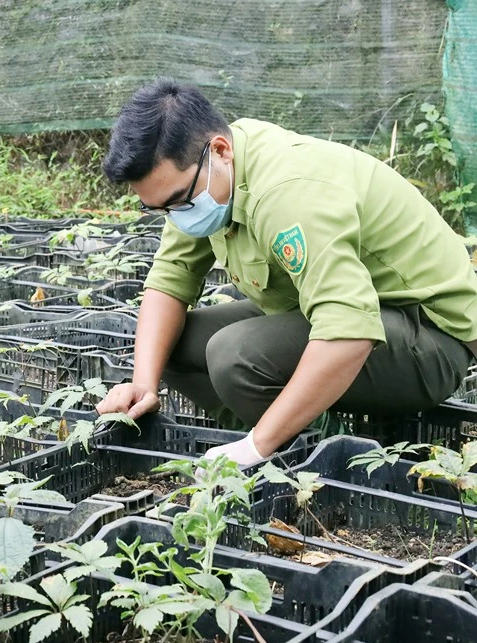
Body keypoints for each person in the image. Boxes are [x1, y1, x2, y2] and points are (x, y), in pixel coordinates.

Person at [96, 78, 477, 465]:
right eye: (159, 209)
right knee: (168, 346)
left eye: (178, 202)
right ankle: (268, 439)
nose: (174, 217)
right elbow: (170, 280)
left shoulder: (285, 193)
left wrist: (258, 445)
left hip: (428, 337)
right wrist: (143, 384)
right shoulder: (209, 177)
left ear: (220, 150)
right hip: (356, 312)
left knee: (235, 355)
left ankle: (325, 458)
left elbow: (349, 329)